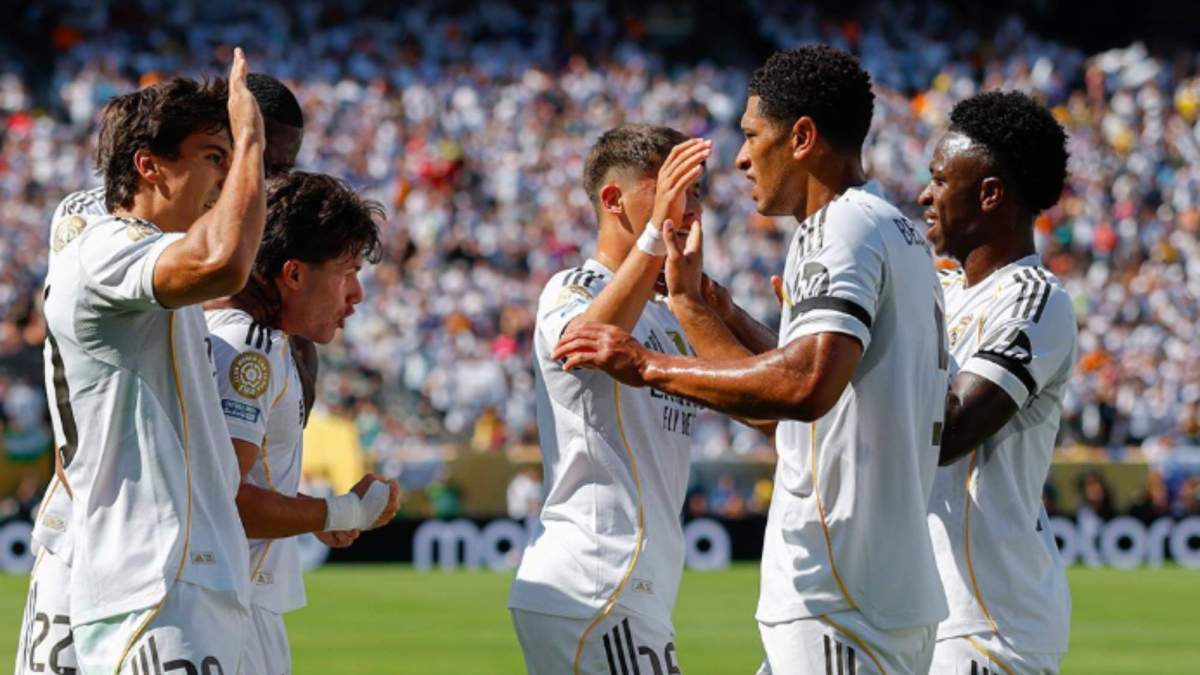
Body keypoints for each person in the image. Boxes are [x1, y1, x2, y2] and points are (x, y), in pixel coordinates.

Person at [555, 46, 950, 674]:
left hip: (838, 591)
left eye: (750, 135)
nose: (739, 158)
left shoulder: (835, 229)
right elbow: (816, 404)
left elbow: (805, 386)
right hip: (877, 588)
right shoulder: (896, 231)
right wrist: (705, 311)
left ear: (801, 137)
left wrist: (647, 364)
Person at [17, 71, 310, 675]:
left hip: (144, 560)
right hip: (150, 563)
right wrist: (248, 140)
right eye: (215, 158)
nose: (239, 183)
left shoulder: (144, 250)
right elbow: (223, 262)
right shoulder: (107, 244)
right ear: (150, 166)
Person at [508, 123, 711, 675]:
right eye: (669, 187)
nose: (688, 206)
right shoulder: (574, 286)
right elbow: (582, 343)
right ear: (613, 200)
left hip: (630, 585)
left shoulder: (669, 313)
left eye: (694, 190)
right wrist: (652, 246)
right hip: (596, 579)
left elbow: (755, 397)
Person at [206, 170, 398, 674]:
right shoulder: (250, 344)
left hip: (228, 601)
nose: (355, 294)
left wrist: (310, 513)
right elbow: (222, 503)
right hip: (227, 607)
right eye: (347, 271)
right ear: (292, 274)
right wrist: (342, 513)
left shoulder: (252, 336)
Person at [922, 90, 1076, 675]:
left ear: (989, 194)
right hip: (920, 607)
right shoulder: (943, 291)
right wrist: (718, 313)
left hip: (989, 619)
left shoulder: (1035, 300)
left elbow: (951, 429)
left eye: (939, 180)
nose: (924, 195)